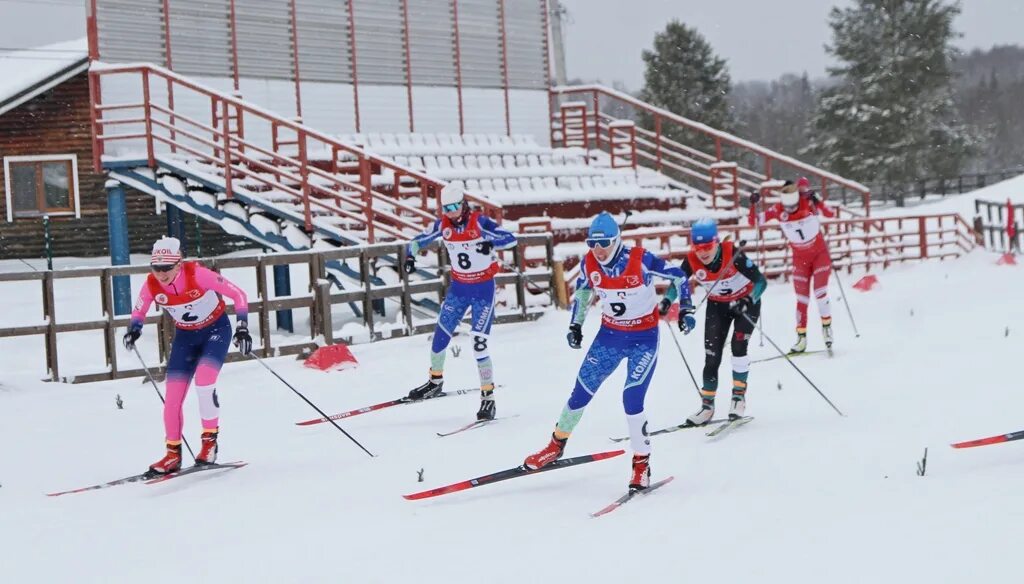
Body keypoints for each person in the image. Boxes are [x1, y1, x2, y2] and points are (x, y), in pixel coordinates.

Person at [522, 212, 692, 491]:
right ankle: (555, 445)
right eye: (592, 244)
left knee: (631, 398)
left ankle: (641, 464)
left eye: (604, 244)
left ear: (617, 241)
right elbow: (583, 292)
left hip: (643, 338)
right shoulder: (589, 263)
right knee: (580, 392)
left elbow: (678, 277)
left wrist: (685, 308)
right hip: (610, 337)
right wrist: (575, 325)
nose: (598, 250)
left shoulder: (640, 260)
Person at [122, 236, 252, 475]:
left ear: (179, 264)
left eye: (166, 268)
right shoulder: (152, 284)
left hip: (216, 331)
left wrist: (242, 326)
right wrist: (134, 328)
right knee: (172, 398)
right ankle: (172, 454)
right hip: (186, 337)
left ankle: (209, 444)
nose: (161, 274)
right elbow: (139, 309)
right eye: (156, 268)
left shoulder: (198, 274)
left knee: (204, 382)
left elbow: (239, 294)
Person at [403, 184, 517, 421]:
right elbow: (416, 242)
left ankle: (488, 398)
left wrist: (490, 241)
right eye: (447, 208)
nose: (451, 212)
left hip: (482, 291)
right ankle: (435, 381)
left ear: (463, 204)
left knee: (479, 344)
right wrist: (410, 257)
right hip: (459, 289)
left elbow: (510, 239)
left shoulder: (479, 221)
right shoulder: (442, 226)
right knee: (440, 334)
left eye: (455, 206)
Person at [672, 218, 766, 426]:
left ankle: (738, 397)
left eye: (707, 246)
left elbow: (761, 281)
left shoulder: (733, 254)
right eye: (698, 247)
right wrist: (667, 302)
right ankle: (707, 407)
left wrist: (749, 299)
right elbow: (677, 282)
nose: (703, 252)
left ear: (716, 242)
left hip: (744, 304)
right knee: (711, 356)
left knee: (738, 346)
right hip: (718, 306)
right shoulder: (691, 260)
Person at [749, 177, 836, 353]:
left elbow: (830, 213)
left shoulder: (808, 202)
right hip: (800, 259)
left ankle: (827, 328)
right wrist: (753, 205)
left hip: (820, 255)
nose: (790, 209)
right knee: (801, 299)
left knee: (820, 292)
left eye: (793, 205)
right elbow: (755, 221)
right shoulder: (778, 209)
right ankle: (801, 338)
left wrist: (818, 200)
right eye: (787, 206)